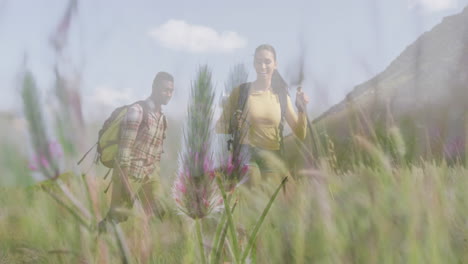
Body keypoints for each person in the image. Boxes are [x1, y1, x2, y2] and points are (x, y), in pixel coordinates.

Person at [216, 44, 309, 188]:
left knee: (272, 198)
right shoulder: (240, 92)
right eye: (258, 62)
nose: (262, 66)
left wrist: (302, 109)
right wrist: (233, 124)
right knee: (253, 179)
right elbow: (219, 127)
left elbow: (300, 133)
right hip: (245, 153)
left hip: (273, 155)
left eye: (267, 61)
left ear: (275, 64)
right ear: (254, 64)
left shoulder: (282, 97)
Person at [99, 71, 174, 231]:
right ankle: (97, 240)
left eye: (171, 91)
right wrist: (126, 185)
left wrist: (156, 174)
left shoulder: (162, 118)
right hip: (130, 173)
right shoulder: (137, 111)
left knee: (161, 210)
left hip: (150, 174)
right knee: (118, 216)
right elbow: (123, 152)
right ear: (154, 88)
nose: (168, 94)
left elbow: (156, 152)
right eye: (164, 90)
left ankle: (153, 248)